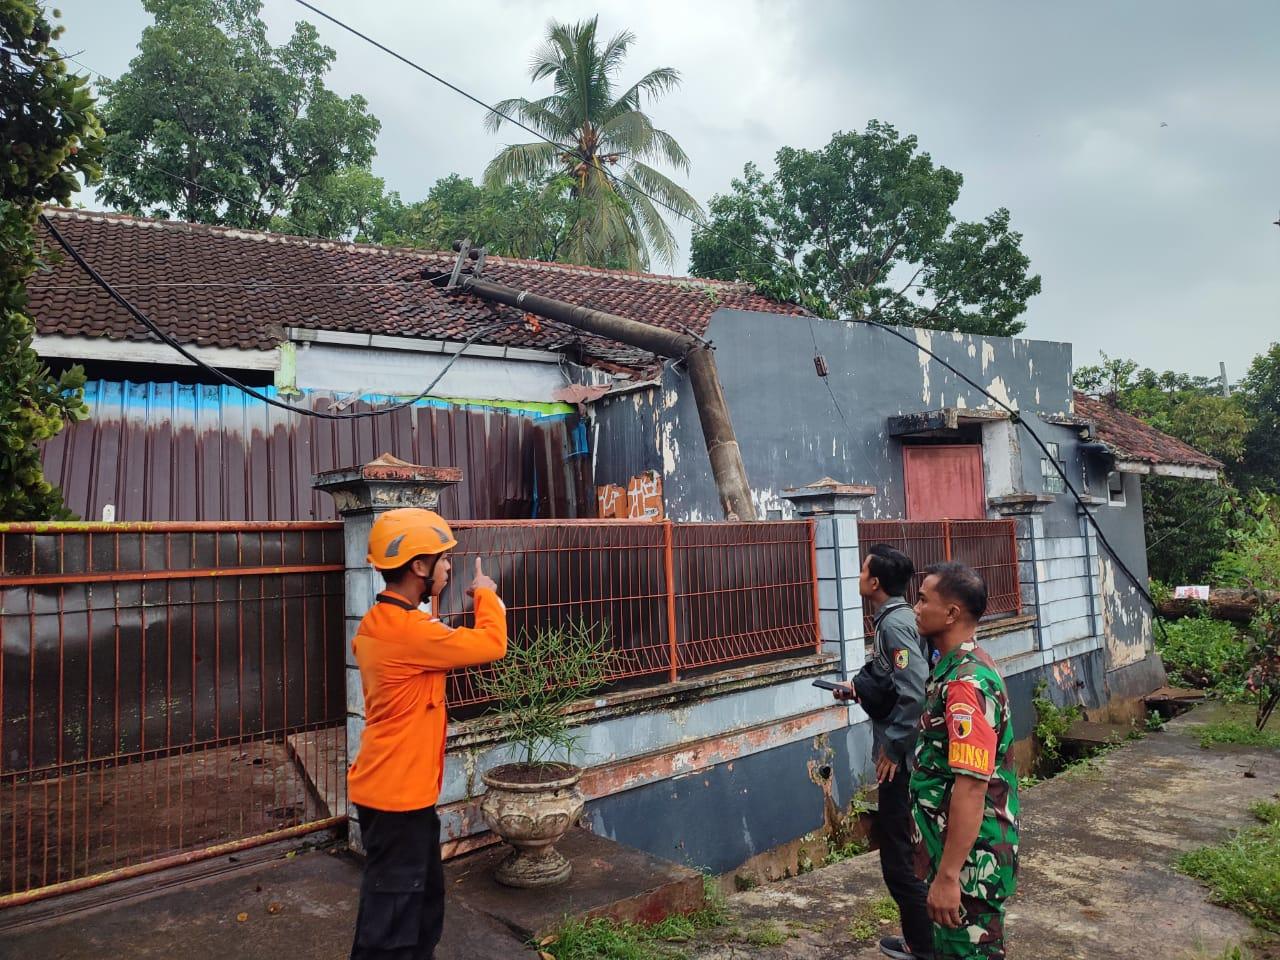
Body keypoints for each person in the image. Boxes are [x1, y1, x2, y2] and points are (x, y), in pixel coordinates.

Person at [349, 508, 508, 960]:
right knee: (391, 926)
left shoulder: (381, 623)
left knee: (421, 907)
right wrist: (486, 595)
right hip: (397, 799)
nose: (449, 567)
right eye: (443, 559)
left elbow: (430, 633)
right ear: (418, 566)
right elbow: (491, 644)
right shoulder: (409, 634)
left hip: (400, 794)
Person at [910, 562, 1019, 960]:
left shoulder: (965, 684)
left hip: (972, 867)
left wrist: (949, 876)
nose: (916, 607)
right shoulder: (955, 665)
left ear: (951, 613)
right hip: (953, 853)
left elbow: (972, 785)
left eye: (923, 599)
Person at [832, 544, 933, 960]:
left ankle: (922, 946)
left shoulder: (895, 625)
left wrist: (892, 748)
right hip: (905, 753)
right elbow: (893, 679)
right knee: (904, 851)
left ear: (874, 583)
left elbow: (912, 690)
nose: (857, 577)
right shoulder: (895, 619)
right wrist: (860, 688)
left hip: (902, 760)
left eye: (861, 571)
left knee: (898, 857)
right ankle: (923, 940)